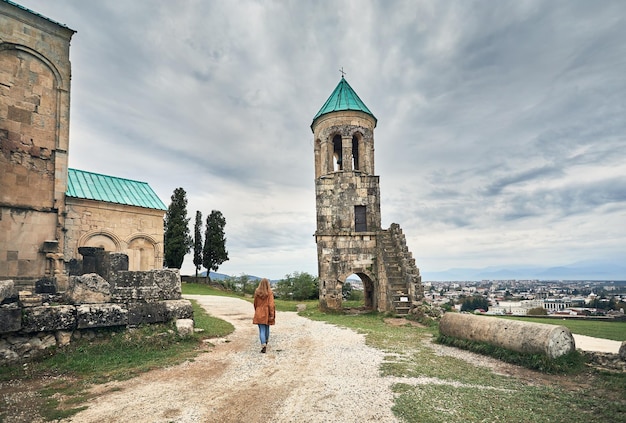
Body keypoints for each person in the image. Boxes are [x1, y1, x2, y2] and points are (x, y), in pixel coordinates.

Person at [252, 278, 275, 353]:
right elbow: (271, 304)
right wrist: (272, 314)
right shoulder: (269, 292)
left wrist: (257, 310)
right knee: (267, 327)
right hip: (267, 311)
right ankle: (266, 341)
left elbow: (255, 303)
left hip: (259, 311)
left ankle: (263, 344)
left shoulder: (257, 292)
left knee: (261, 329)